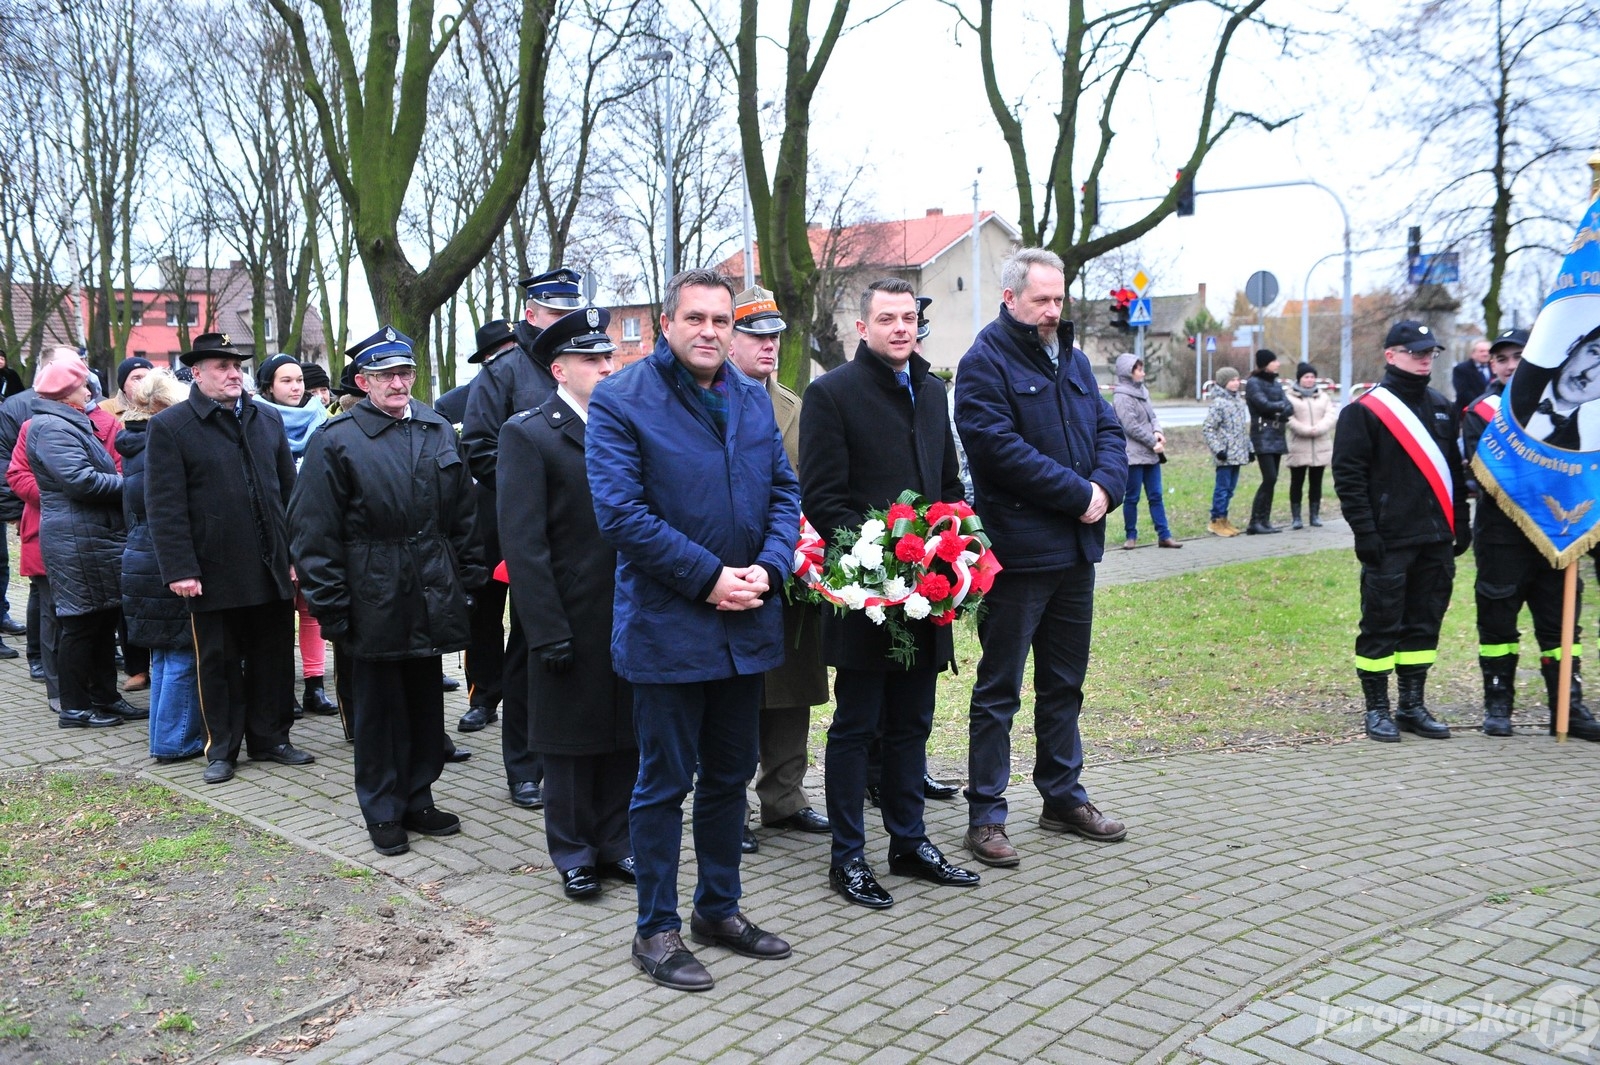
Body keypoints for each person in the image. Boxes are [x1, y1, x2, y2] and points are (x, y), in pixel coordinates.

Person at [587, 268, 798, 993]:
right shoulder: (621, 401)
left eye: (721, 319)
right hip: (669, 628)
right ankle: (655, 928)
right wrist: (710, 577)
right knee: (663, 782)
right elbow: (621, 515)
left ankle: (719, 908)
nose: (711, 330)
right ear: (666, 324)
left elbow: (784, 492)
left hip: (746, 622)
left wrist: (768, 568)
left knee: (729, 776)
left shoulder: (749, 398)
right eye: (696, 318)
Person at [802, 276, 980, 908]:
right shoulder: (831, 395)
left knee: (912, 722)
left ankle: (909, 841)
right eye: (887, 319)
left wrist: (953, 545)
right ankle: (847, 857)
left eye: (909, 318)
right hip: (866, 596)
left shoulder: (933, 393)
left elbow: (949, 484)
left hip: (929, 592)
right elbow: (822, 499)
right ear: (863, 327)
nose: (901, 328)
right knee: (857, 725)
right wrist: (879, 565)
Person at [954, 247, 1130, 868]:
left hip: (1075, 554)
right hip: (1020, 556)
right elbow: (997, 450)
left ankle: (1062, 796)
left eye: (1059, 299)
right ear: (1010, 299)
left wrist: (1106, 489)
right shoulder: (984, 364)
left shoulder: (1075, 362)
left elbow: (1109, 430)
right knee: (999, 689)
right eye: (1041, 300)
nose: (1053, 310)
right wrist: (1077, 494)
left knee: (1065, 685)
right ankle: (986, 815)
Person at [290, 326, 485, 856]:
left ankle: (419, 795)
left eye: (405, 373)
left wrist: (467, 579)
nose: (399, 384)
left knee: (424, 703)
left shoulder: (438, 428)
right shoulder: (336, 439)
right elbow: (314, 533)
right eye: (386, 375)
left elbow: (464, 517)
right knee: (378, 711)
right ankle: (381, 808)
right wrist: (332, 606)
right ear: (363, 381)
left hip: (430, 585)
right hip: (371, 589)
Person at [498, 307, 637, 898]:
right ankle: (575, 851)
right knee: (571, 742)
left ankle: (616, 843)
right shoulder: (530, 434)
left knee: (623, 734)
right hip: (568, 614)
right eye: (591, 359)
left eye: (608, 356)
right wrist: (546, 628)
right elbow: (524, 544)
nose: (606, 367)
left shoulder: (628, 426)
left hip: (628, 611)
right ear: (559, 368)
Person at [145, 332, 313, 784]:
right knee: (217, 662)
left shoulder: (266, 419)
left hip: (270, 564)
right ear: (196, 374)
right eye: (221, 366)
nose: (233, 373)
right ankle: (221, 747)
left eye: (236, 365)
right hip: (213, 568)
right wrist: (180, 568)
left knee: (274, 656)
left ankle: (272, 738)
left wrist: (295, 556)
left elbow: (289, 494)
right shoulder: (171, 427)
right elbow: (165, 505)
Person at [462, 272, 584, 810]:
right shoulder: (504, 372)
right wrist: (529, 490)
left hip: (581, 537)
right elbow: (481, 446)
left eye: (570, 313)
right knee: (525, 648)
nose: (564, 323)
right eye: (554, 315)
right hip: (519, 534)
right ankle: (524, 767)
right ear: (531, 315)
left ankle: (571, 755)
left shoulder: (586, 368)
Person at [722, 286, 831, 847]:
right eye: (756, 335)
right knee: (735, 694)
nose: (768, 345)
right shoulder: (709, 397)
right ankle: (730, 809)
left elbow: (805, 486)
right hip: (728, 572)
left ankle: (785, 798)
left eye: (774, 336)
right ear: (730, 338)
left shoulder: (792, 404)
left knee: (792, 687)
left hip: (788, 570)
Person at [1332, 320, 1470, 743]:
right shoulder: (1365, 411)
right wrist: (1365, 532)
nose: (1425, 357)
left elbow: (1453, 471)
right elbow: (1348, 477)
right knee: (1381, 624)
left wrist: (1460, 522)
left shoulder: (1442, 405)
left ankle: (1412, 705)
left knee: (1424, 625)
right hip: (1389, 540)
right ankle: (1377, 709)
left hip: (1434, 540)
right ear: (1391, 355)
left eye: (1429, 351)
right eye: (1415, 351)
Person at [1463, 329, 1600, 741]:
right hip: (1502, 538)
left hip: (1559, 539)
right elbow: (1479, 474)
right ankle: (1498, 703)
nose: (1509, 365)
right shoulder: (1482, 412)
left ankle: (1567, 705)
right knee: (1497, 624)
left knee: (1561, 629)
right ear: (1492, 366)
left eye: (1518, 356)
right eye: (1500, 359)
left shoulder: (1590, 421)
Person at [24, 356, 142, 728]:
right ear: (64, 392)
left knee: (103, 619)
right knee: (79, 624)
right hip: (76, 539)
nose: (90, 389)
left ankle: (105, 697)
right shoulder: (52, 427)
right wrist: (133, 485)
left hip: (92, 536)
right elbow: (82, 481)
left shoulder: (68, 422)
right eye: (82, 384)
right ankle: (74, 707)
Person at [118, 369, 205, 760]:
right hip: (163, 557)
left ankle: (163, 735)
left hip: (140, 555)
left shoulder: (132, 443)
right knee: (183, 651)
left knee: (164, 654)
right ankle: (175, 740)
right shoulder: (162, 445)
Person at [446, 319, 521, 737]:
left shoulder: (541, 390)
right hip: (482, 523)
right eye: (502, 352)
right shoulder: (453, 405)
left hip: (531, 520)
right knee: (483, 614)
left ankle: (525, 693)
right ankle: (483, 696)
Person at [253, 352, 336, 718]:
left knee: (313, 611)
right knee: (279, 617)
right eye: (286, 381)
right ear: (268, 386)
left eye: (299, 380)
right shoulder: (255, 420)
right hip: (273, 533)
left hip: (315, 529)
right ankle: (283, 689)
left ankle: (315, 687)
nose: (296, 387)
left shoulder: (322, 419)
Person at [1111, 353, 1178, 550]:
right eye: (1139, 369)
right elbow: (1130, 426)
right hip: (1133, 455)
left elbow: (1152, 416)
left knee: (1156, 495)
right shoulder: (1121, 396)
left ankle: (1164, 535)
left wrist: (1158, 432)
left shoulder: (1143, 392)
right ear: (1128, 372)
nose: (1143, 373)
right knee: (1132, 497)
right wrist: (1152, 442)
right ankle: (1130, 536)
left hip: (1151, 453)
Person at [1506, 322, 1600, 450]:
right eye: (1595, 353)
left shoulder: (1576, 448)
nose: (1589, 375)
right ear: (1574, 345)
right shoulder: (1508, 393)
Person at [1243, 349, 1292, 534]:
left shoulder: (1276, 383)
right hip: (1262, 434)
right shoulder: (1254, 383)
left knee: (1273, 480)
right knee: (1269, 477)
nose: (1278, 364)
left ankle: (1265, 520)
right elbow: (1262, 405)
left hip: (1277, 433)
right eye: (1274, 361)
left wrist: (1279, 409)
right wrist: (1280, 408)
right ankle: (1255, 521)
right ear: (1265, 363)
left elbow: (1290, 406)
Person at [1285, 361, 1336, 529]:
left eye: (1312, 377)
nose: (1309, 380)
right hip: (1299, 445)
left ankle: (1315, 515)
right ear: (1299, 379)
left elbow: (1330, 415)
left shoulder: (1323, 396)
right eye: (1306, 377)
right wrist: (1305, 429)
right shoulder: (1289, 397)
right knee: (1297, 482)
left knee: (1316, 482)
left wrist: (1319, 428)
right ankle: (1296, 517)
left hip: (1320, 445)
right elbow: (1288, 418)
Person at [1201, 366, 1250, 537]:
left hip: (1238, 454)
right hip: (1225, 455)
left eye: (1237, 380)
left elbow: (1242, 429)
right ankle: (1216, 520)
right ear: (1223, 383)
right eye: (1232, 380)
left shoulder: (1238, 402)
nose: (1236, 383)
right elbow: (1208, 428)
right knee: (1222, 489)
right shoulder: (1219, 403)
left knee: (1230, 489)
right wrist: (1218, 449)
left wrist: (1249, 448)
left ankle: (1224, 518)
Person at [1452, 338, 1493, 412]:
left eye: (1488, 351)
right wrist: (1483, 406)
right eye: (1482, 351)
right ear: (1473, 354)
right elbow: (1463, 393)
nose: (1486, 354)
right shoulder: (1461, 369)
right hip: (1470, 412)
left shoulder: (1495, 367)